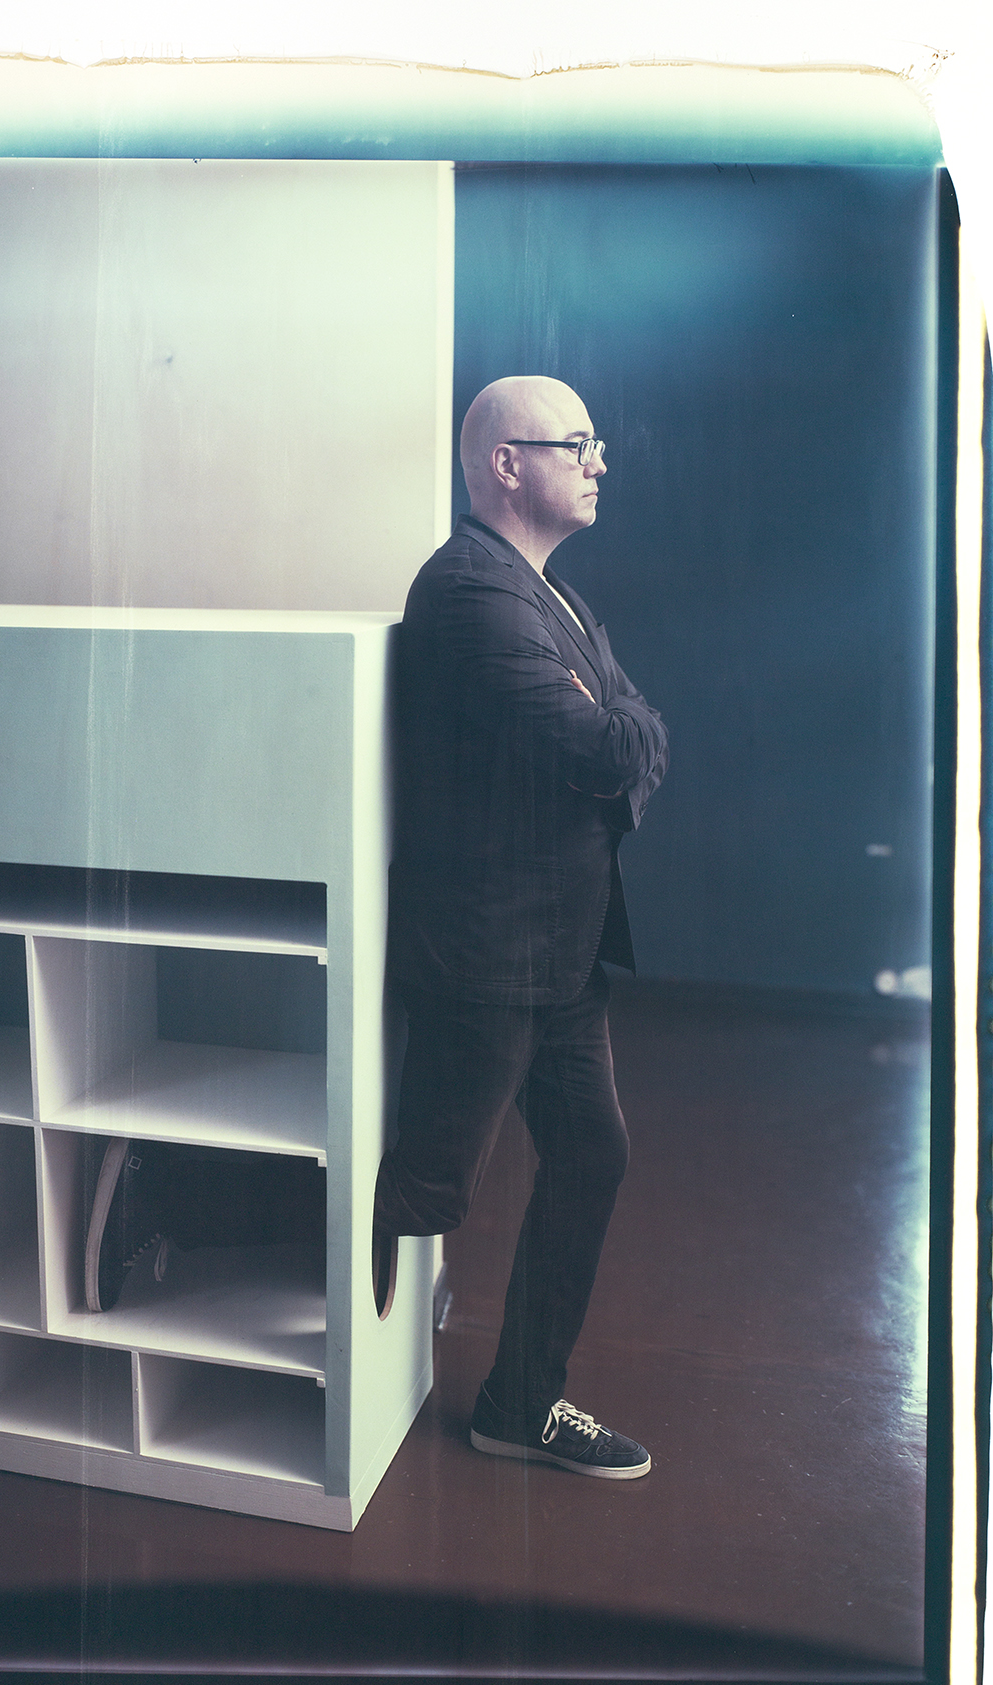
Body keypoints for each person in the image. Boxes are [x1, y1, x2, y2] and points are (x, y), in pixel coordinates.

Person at [372, 374, 669, 1479]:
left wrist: (618, 729)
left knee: (592, 1155)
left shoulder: (555, 598)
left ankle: (520, 1403)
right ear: (507, 464)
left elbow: (635, 734)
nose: (598, 463)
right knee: (424, 1189)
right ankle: (162, 1202)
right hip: (489, 961)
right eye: (575, 445)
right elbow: (606, 747)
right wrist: (617, 730)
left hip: (563, 957)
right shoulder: (467, 592)